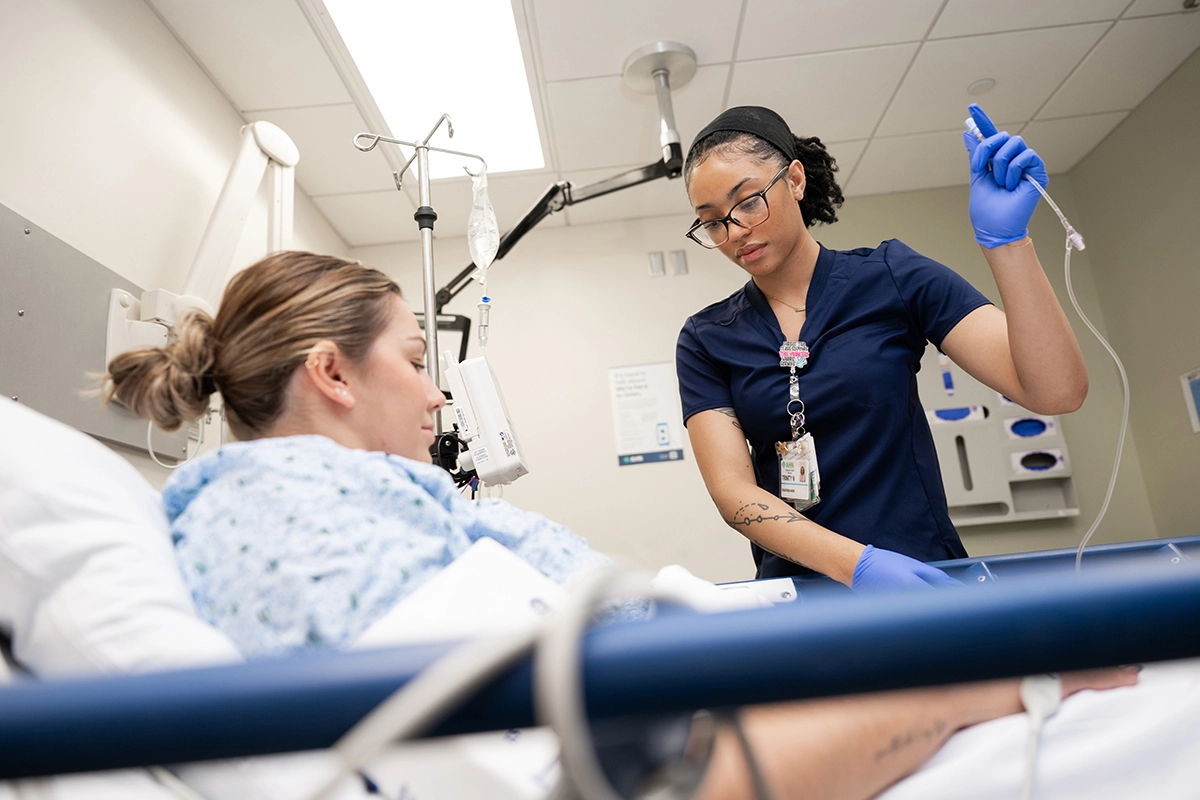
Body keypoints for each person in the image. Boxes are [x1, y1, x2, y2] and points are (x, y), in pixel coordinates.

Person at [104, 250, 1127, 800]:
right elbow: (641, 776)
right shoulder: (288, 520)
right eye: (417, 359)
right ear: (330, 371)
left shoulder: (350, 503)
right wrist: (972, 677)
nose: (437, 397)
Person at [676, 105, 1086, 589]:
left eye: (747, 201)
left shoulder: (893, 276)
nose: (735, 231)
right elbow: (734, 493)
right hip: (800, 594)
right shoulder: (707, 338)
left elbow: (1057, 392)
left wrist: (1008, 244)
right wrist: (859, 566)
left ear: (795, 180)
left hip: (921, 575)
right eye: (713, 222)